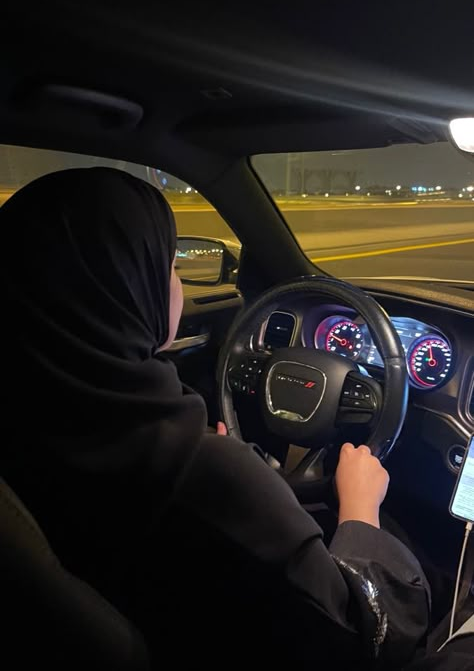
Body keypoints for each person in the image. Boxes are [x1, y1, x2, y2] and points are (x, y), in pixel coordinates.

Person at [0, 167, 431, 669]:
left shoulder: (30, 415)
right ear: (126, 286)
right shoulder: (207, 479)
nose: (178, 283)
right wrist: (361, 508)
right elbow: (362, 638)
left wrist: (230, 465)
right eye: (166, 265)